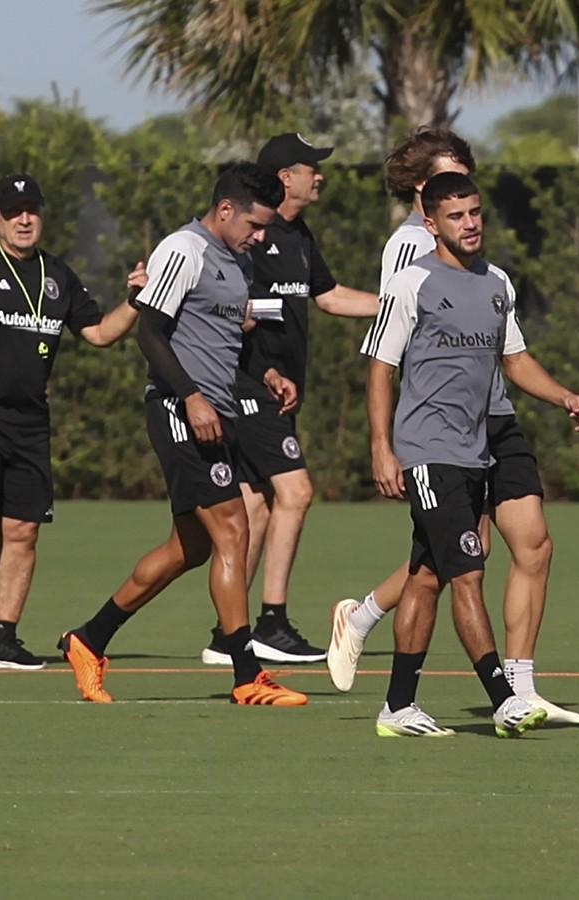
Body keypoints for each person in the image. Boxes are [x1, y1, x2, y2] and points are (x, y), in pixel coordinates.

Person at [327, 129, 579, 725]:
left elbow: (515, 360)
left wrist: (565, 396)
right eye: (456, 215)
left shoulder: (497, 283)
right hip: (428, 448)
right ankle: (506, 699)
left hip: (478, 445)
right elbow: (380, 366)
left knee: (428, 575)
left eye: (475, 212)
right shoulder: (410, 277)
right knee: (468, 571)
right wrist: (382, 448)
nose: (470, 224)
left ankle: (398, 704)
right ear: (431, 220)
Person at [59, 163, 307, 706]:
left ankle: (88, 639)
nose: (259, 237)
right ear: (225, 209)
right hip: (178, 408)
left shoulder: (237, 261)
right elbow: (150, 333)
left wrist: (267, 373)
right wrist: (192, 397)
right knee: (234, 530)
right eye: (254, 225)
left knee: (188, 549)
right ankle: (246, 675)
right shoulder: (183, 250)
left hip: (217, 412)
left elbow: (227, 339)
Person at [198, 133, 381, 667]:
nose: (318, 176)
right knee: (296, 492)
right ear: (285, 177)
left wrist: (398, 304)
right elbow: (223, 304)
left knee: (257, 503)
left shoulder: (299, 234)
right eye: (310, 168)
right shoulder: (248, 234)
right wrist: (261, 356)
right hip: (246, 383)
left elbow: (329, 296)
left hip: (277, 391)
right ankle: (271, 623)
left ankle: (228, 635)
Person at [0, 174, 144, 670]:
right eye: (14, 211)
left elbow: (98, 333)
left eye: (32, 210)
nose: (24, 219)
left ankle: (3, 639)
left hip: (31, 423)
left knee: (23, 530)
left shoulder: (58, 275)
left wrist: (137, 299)